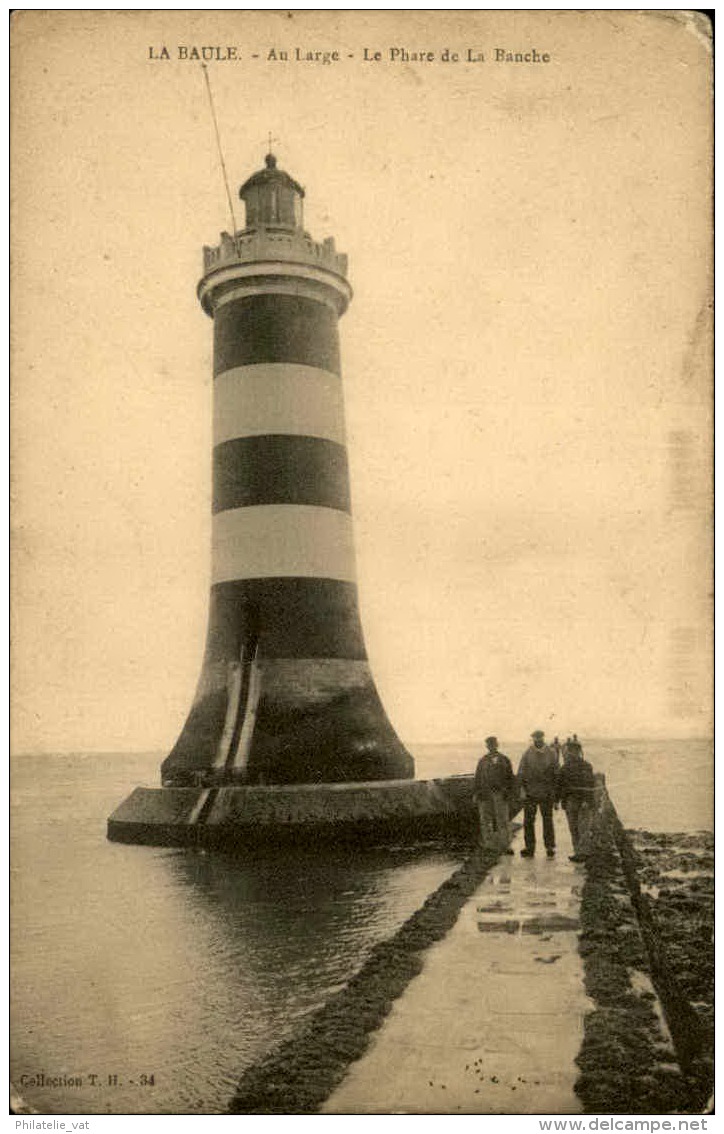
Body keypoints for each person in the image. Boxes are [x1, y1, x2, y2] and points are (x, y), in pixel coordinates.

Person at [517, 730, 558, 858]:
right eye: (535, 738)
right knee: (528, 821)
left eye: (540, 737)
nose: (538, 740)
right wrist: (522, 790)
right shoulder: (527, 753)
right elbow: (521, 773)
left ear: (543, 738)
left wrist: (555, 794)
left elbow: (556, 773)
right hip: (531, 793)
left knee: (548, 821)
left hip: (546, 793)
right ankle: (530, 847)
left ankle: (550, 847)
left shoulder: (551, 753)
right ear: (533, 739)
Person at [473, 736, 515, 854]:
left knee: (503, 820)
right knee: (486, 820)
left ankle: (506, 845)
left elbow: (510, 777)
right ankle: (489, 845)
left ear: (497, 745)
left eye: (493, 744)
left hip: (500, 793)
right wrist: (476, 793)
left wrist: (509, 792)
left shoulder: (504, 760)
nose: (491, 746)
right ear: (487, 746)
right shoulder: (482, 761)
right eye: (489, 744)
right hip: (485, 794)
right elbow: (478, 778)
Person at [557, 740, 596, 862]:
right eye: (570, 751)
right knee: (573, 828)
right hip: (570, 801)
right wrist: (558, 800)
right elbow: (560, 786)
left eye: (574, 751)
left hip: (582, 801)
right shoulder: (565, 768)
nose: (571, 753)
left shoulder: (586, 766)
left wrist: (587, 800)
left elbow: (590, 785)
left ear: (578, 752)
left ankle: (583, 852)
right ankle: (578, 851)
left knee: (583, 827)